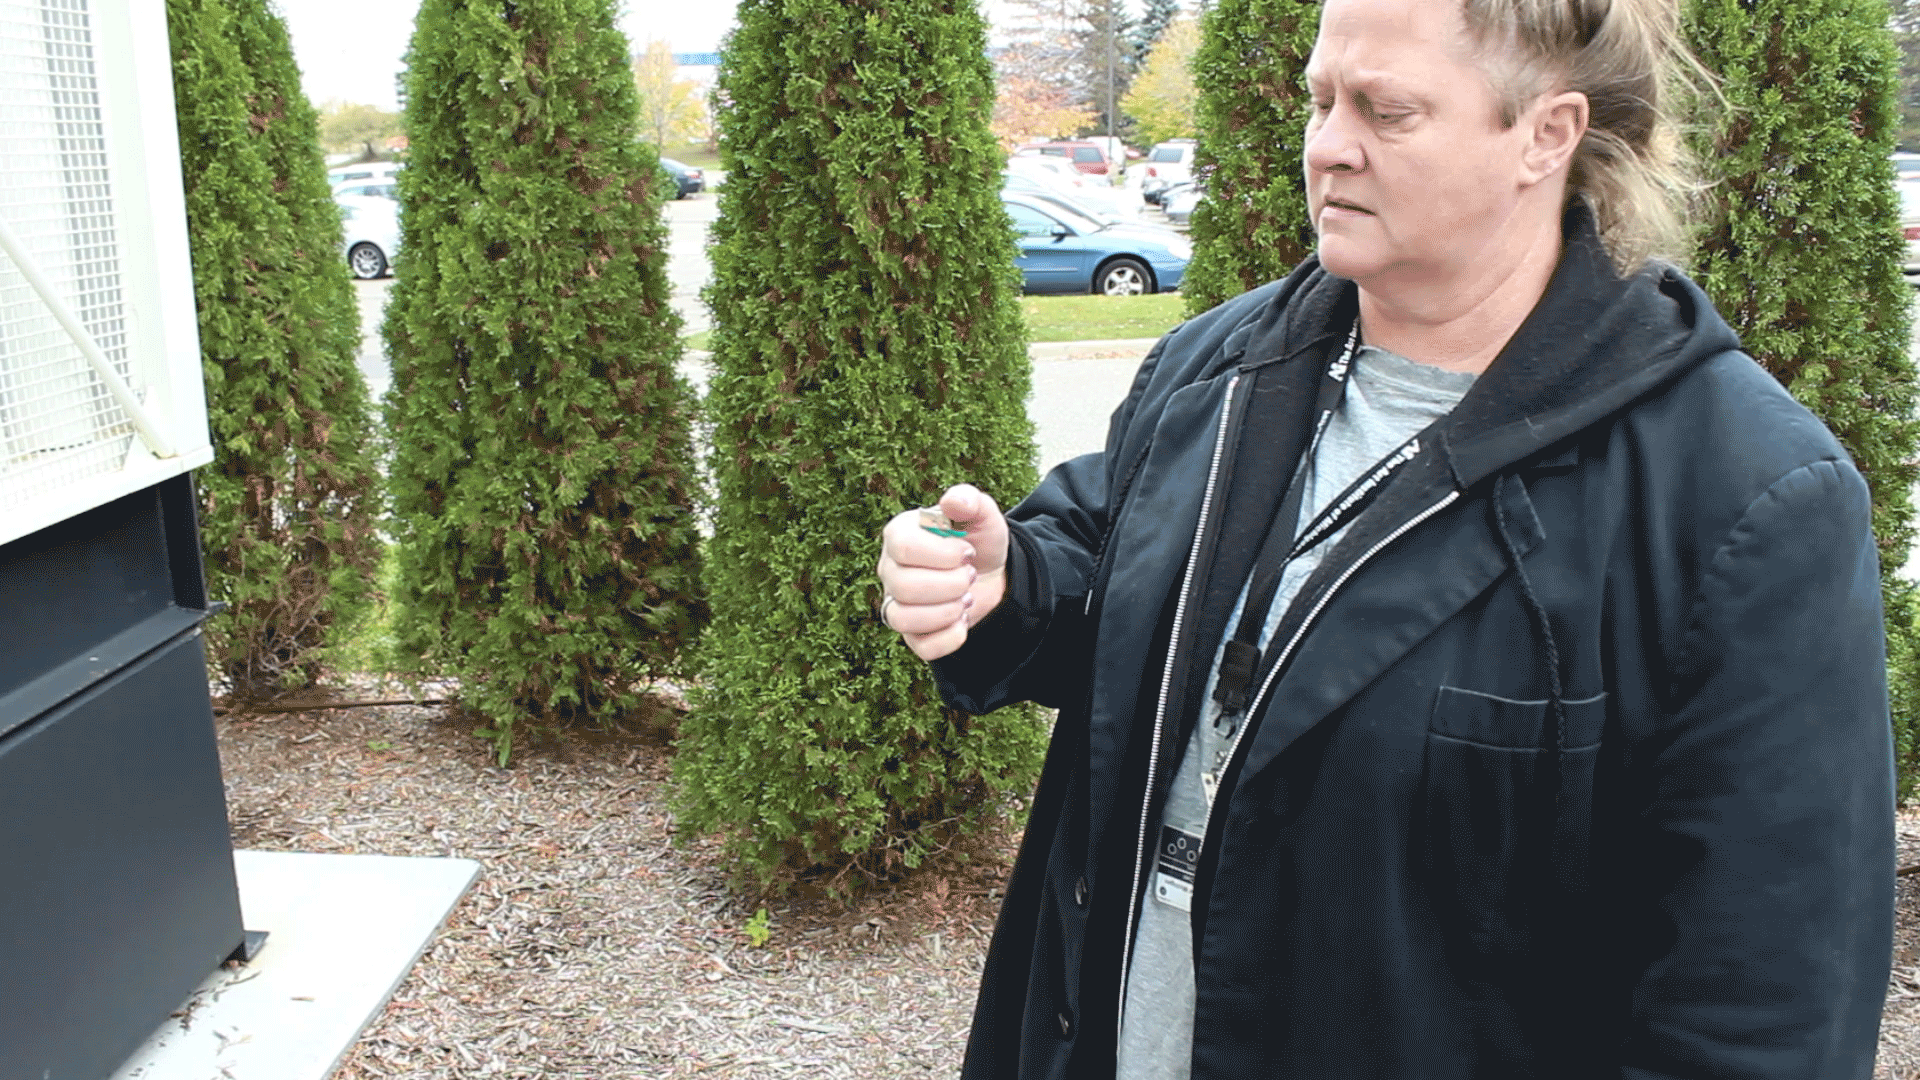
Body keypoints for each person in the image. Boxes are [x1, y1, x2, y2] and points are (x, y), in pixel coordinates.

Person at [876, 0, 1897, 1071]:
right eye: (1321, 100)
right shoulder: (1219, 368)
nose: (1329, 146)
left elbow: (1762, 1009)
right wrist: (1010, 585)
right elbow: (1117, 580)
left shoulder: (1744, 497)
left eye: (1387, 111)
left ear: (1547, 134)